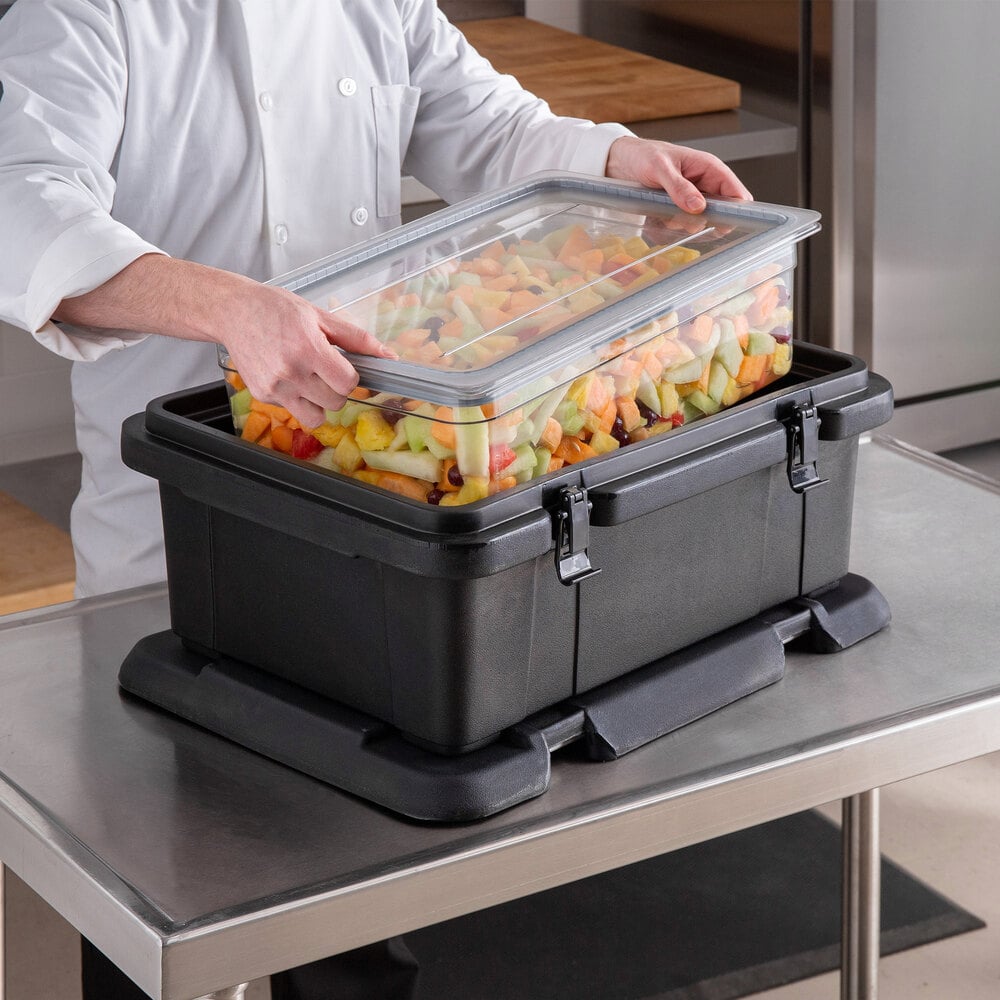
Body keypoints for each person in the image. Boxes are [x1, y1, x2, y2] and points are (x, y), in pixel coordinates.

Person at [0, 1, 752, 997]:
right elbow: (23, 203)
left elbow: (488, 126)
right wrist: (229, 306)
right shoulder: (85, 10)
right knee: (166, 879)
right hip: (179, 520)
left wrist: (618, 159)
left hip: (370, 490)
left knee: (353, 871)